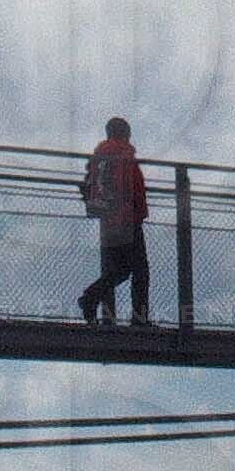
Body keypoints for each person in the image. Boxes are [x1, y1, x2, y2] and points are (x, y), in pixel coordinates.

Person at [76, 116, 151, 324]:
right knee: (140, 271)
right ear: (125, 133)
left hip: (109, 220)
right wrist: (138, 211)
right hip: (127, 219)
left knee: (119, 270)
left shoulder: (100, 156)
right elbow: (130, 187)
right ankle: (139, 319)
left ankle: (91, 298)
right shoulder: (124, 154)